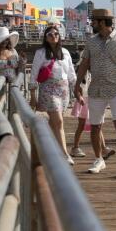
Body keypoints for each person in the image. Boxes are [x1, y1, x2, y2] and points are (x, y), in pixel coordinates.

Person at [75, 8, 116, 180]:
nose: (92, 24)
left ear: (103, 22)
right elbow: (84, 63)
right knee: (96, 126)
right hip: (96, 89)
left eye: (94, 21)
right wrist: (77, 84)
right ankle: (98, 160)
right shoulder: (91, 41)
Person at [30, 24, 77, 164]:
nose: (54, 36)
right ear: (45, 37)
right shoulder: (40, 53)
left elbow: (71, 74)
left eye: (56, 34)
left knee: (55, 123)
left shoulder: (65, 52)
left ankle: (48, 149)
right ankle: (64, 154)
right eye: (50, 34)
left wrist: (77, 91)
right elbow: (33, 75)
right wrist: (33, 97)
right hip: (48, 89)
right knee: (59, 122)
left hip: (64, 90)